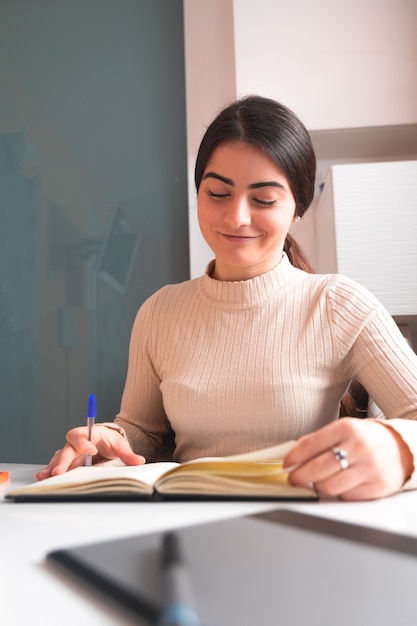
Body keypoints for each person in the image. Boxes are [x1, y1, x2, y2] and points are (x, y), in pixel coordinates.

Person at [37, 95, 417, 501]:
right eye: (218, 192)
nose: (237, 217)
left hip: (303, 527)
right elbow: (144, 434)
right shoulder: (160, 312)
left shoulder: (340, 304)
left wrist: (399, 449)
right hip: (182, 527)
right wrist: (107, 439)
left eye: (264, 199)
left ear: (297, 208)